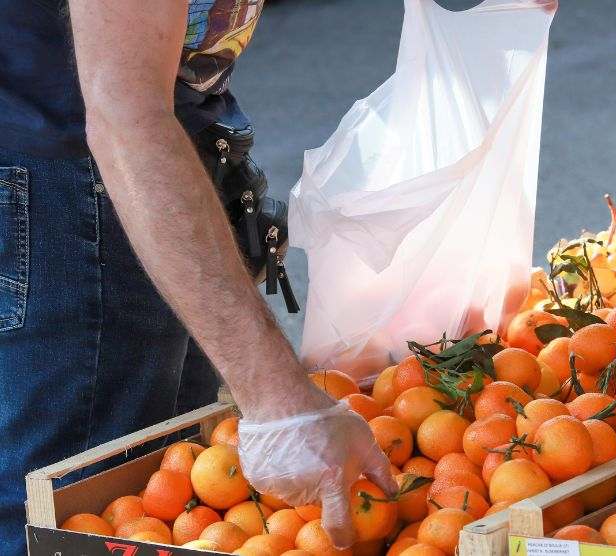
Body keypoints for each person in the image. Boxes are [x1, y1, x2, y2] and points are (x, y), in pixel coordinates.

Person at [0, 1, 394, 553]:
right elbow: (124, 115)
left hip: (147, 165)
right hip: (74, 193)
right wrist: (275, 396)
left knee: (165, 504)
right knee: (71, 521)